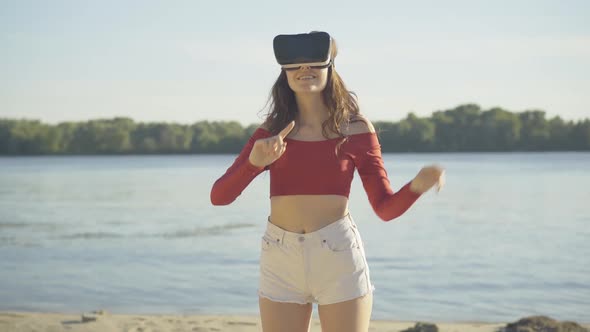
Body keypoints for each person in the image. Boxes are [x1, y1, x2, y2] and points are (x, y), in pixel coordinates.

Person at [210, 31, 445, 332]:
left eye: (313, 64)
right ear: (284, 73)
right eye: (294, 65)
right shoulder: (271, 132)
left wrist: (417, 186)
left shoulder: (356, 129)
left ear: (330, 66)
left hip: (337, 255)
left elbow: (384, 209)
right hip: (280, 256)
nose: (304, 70)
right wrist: (255, 164)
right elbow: (219, 196)